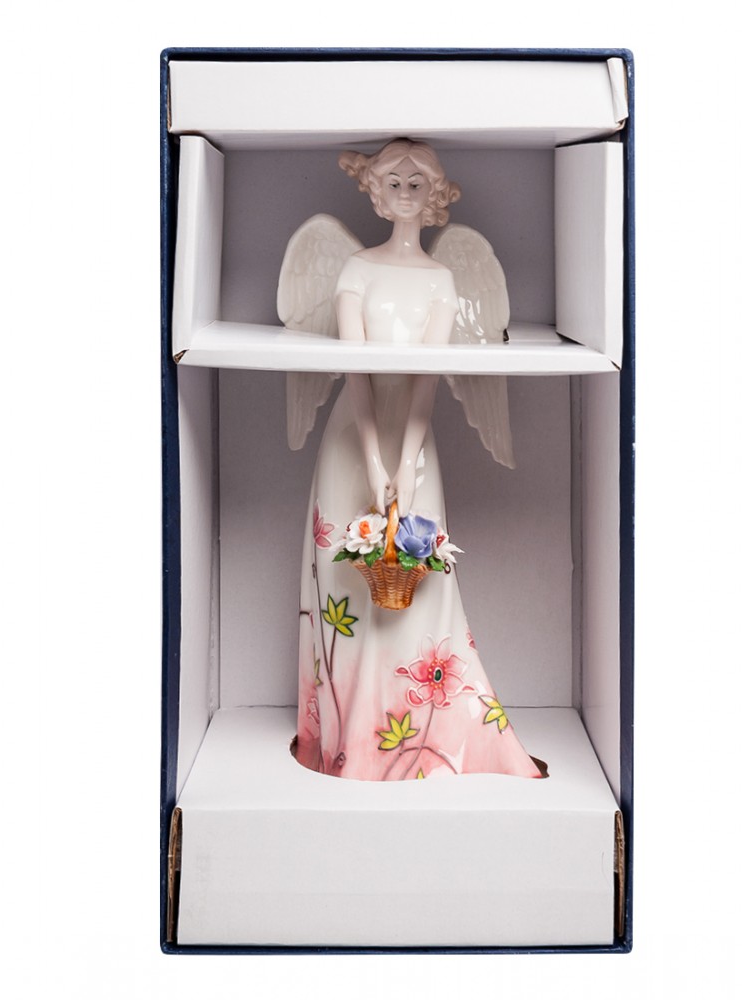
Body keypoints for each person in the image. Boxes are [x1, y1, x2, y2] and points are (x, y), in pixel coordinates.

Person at [293, 140, 543, 780]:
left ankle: (420, 742)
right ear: (375, 189)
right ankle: (349, 740)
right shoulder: (355, 269)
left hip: (414, 440)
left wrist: (404, 465)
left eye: (417, 183)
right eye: (394, 181)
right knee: (345, 584)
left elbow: (425, 379)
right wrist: (375, 463)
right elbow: (356, 372)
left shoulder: (441, 280)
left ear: (434, 193)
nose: (405, 193)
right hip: (352, 439)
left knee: (424, 581)